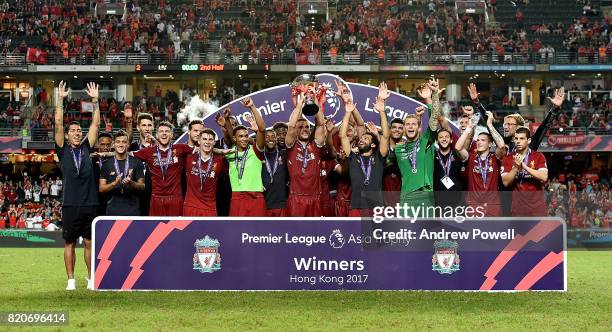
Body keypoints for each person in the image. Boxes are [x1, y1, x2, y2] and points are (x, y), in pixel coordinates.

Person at [54, 81, 100, 291]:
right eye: (72, 130)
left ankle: (91, 279)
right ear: (67, 134)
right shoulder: (63, 150)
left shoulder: (86, 148)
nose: (76, 132)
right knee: (70, 243)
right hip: (71, 204)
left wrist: (95, 101)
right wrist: (60, 100)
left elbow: (96, 126)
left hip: (90, 203)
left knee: (90, 243)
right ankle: (71, 280)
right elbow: (57, 124)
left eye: (78, 130)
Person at [338, 82, 390, 216]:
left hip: (376, 208)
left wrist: (382, 112)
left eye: (366, 138)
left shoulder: (379, 157)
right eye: (362, 138)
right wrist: (348, 112)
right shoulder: (353, 157)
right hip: (356, 207)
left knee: (377, 237)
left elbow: (385, 135)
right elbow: (342, 136)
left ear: (373, 145)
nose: (361, 139)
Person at [394, 78, 444, 215]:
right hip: (406, 197)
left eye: (414, 124)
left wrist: (432, 97)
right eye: (407, 124)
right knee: (408, 234)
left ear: (419, 128)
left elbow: (434, 119)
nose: (410, 126)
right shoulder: (398, 149)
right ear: (404, 129)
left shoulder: (426, 141)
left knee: (426, 234)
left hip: (425, 195)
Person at [218, 97, 267, 216]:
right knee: (236, 232)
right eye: (241, 136)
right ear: (235, 139)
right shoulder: (230, 153)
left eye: (246, 136)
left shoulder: (256, 150)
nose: (244, 138)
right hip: (237, 197)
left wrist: (252, 107)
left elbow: (262, 129)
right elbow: (231, 134)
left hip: (256, 197)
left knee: (258, 233)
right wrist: (227, 120)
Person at [132, 121, 193, 216]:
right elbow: (127, 154)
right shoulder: (148, 152)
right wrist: (104, 154)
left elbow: (201, 150)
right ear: (156, 134)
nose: (164, 133)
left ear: (172, 134)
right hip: (156, 198)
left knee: (176, 229)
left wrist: (222, 151)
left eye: (167, 131)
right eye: (161, 131)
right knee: (156, 229)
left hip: (175, 198)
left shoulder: (181, 148)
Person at [456, 111, 507, 216]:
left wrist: (489, 124)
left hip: (493, 206)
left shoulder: (495, 158)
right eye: (478, 140)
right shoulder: (471, 158)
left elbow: (501, 146)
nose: (479, 142)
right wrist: (469, 128)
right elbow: (458, 147)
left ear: (490, 144)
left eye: (483, 140)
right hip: (473, 206)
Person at [284, 91, 327, 216]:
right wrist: (300, 104)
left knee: (315, 233)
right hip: (296, 197)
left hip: (315, 197)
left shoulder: (315, 145)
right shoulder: (291, 146)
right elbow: (291, 126)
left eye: (307, 127)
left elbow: (320, 124)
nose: (304, 129)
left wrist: (316, 101)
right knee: (296, 233)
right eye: (301, 127)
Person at [501, 127, 549, 216]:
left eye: (522, 138)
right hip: (518, 210)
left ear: (529, 140)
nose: (518, 141)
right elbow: (505, 182)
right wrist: (515, 167)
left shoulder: (538, 156)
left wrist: (524, 166)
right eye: (516, 138)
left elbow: (544, 177)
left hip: (537, 209)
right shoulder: (508, 158)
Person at [99, 130, 145, 216]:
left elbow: (142, 186)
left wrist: (131, 183)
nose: (121, 144)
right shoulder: (106, 164)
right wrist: (114, 183)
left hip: (133, 210)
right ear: (113, 144)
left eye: (124, 142)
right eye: (118, 142)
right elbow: (101, 188)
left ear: (128, 144)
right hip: (112, 210)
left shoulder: (136, 162)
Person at [183, 128, 226, 216]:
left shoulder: (220, 160)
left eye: (210, 139)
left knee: (209, 230)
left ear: (214, 142)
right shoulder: (188, 158)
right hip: (191, 206)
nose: (207, 142)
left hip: (210, 208)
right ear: (199, 141)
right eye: (204, 139)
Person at [128, 111, 153, 215]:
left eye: (149, 125)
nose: (147, 128)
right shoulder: (132, 147)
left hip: (154, 193)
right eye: (143, 125)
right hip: (135, 194)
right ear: (138, 127)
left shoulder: (159, 146)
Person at [433, 128, 464, 207]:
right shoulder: (431, 156)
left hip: (457, 202)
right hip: (437, 203)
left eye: (446, 137)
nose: (444, 139)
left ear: (451, 140)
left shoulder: (458, 155)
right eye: (441, 137)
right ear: (436, 141)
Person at [261, 128, 289, 217]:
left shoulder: (284, 154)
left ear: (276, 139)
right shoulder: (259, 156)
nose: (270, 139)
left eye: (273, 136)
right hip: (264, 204)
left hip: (282, 204)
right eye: (267, 137)